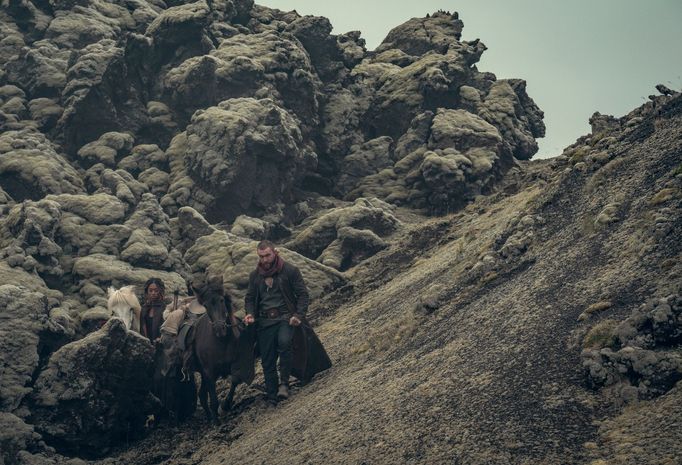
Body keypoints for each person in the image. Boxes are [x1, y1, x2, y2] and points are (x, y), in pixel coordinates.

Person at [244, 240, 309, 404]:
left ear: (275, 252)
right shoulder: (255, 276)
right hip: (265, 322)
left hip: (285, 318)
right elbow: (250, 298)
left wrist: (298, 315)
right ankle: (272, 393)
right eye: (261, 256)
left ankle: (284, 384)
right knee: (267, 358)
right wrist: (250, 314)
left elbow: (303, 295)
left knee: (284, 343)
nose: (265, 260)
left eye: (267, 255)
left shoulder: (290, 271)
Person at [140, 278, 166, 342]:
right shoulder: (144, 308)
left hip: (160, 343)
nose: (153, 293)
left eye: (156, 290)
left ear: (160, 291)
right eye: (150, 291)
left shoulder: (164, 307)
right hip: (146, 344)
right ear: (147, 292)